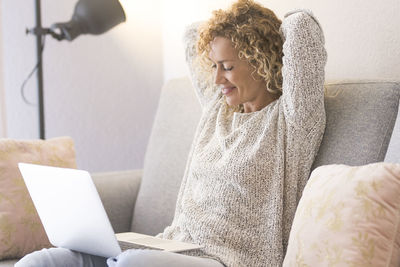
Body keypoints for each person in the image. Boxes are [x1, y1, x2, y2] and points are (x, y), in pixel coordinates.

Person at [16, 0, 327, 266]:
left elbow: (302, 28)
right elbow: (191, 35)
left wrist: (264, 35)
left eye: (227, 66)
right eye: (214, 65)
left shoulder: (293, 119)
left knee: (131, 263)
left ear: (261, 62)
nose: (217, 78)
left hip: (230, 260)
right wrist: (228, 29)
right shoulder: (218, 110)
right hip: (173, 247)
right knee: (45, 260)